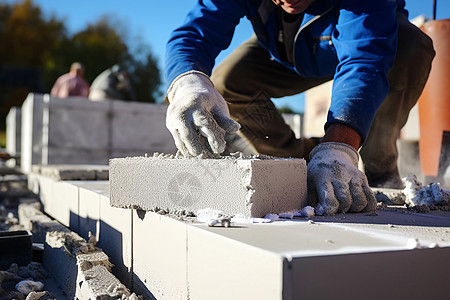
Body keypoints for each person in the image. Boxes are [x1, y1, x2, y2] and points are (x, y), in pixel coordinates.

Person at [164, 0, 435, 215]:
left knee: (412, 46)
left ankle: (379, 168)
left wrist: (339, 147)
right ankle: (297, 161)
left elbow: (364, 63)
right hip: (288, 53)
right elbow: (193, 35)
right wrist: (189, 84)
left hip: (365, 42)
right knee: (227, 81)